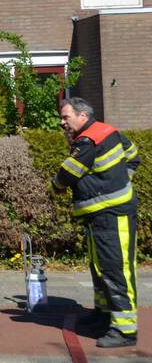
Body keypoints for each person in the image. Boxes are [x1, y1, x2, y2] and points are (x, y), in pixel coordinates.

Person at [55, 97, 140, 348]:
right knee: (100, 268)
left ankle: (125, 330)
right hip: (100, 216)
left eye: (65, 117)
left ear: (83, 116)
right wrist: (122, 180)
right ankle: (104, 316)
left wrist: (55, 186)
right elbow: (133, 155)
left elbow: (65, 175)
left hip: (111, 215)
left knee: (116, 269)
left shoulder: (89, 140)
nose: (62, 123)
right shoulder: (106, 132)